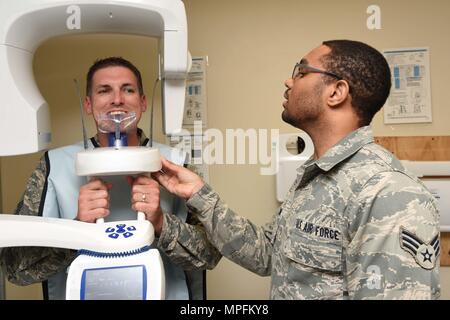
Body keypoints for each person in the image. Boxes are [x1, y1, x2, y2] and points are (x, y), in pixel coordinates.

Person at [148, 40, 440, 299]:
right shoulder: (315, 178)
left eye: (301, 71)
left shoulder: (387, 191)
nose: (289, 81)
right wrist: (199, 194)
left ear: (337, 92)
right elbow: (265, 253)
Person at [0, 57, 221, 300]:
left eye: (128, 89)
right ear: (88, 104)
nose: (117, 99)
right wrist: (75, 229)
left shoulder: (175, 164)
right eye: (104, 91)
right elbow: (14, 268)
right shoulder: (53, 167)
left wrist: (160, 223)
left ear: (143, 102)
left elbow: (212, 254)